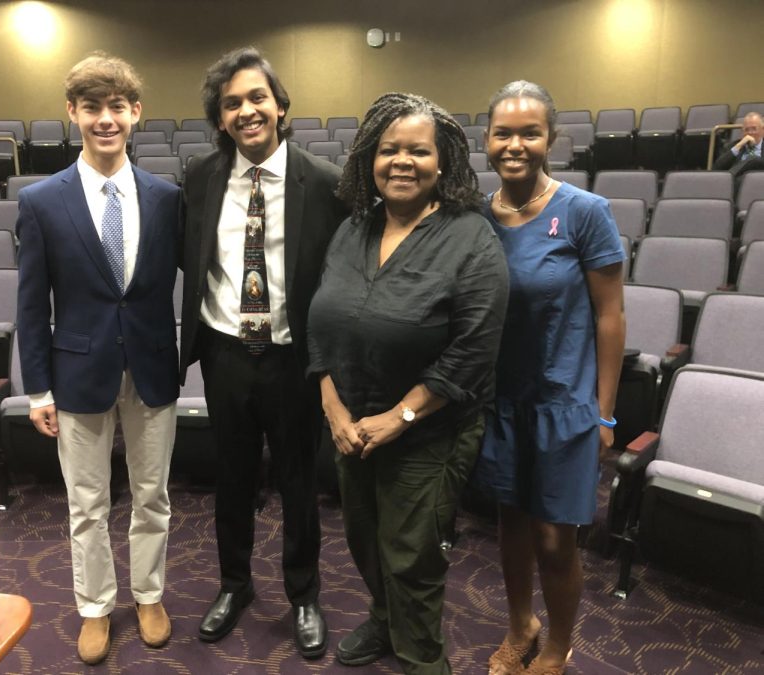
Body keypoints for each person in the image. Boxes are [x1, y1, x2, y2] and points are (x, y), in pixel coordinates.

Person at [307, 92, 509, 674]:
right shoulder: (353, 229)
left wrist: (402, 417)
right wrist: (333, 408)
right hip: (353, 427)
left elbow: (473, 350)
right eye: (389, 149)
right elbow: (321, 320)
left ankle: (423, 659)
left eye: (418, 151)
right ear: (370, 158)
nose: (402, 161)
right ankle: (382, 620)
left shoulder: (471, 238)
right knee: (366, 542)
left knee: (413, 558)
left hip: (429, 434)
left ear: (441, 161)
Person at [179, 46, 346, 659]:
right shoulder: (200, 179)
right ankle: (234, 584)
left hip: (293, 359)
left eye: (256, 98)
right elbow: (192, 259)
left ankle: (303, 594)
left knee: (300, 481)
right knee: (233, 477)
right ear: (219, 118)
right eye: (231, 104)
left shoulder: (326, 184)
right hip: (225, 354)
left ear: (280, 106)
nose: (246, 111)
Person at [16, 52, 180, 665]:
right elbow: (31, 305)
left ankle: (149, 594)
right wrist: (37, 389)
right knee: (86, 502)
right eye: (92, 108)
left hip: (152, 368)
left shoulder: (166, 198)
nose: (105, 119)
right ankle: (94, 607)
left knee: (152, 495)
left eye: (117, 107)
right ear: (73, 113)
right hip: (77, 372)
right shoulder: (41, 201)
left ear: (135, 113)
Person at [474, 81, 625, 675]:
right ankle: (521, 625)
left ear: (550, 139)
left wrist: (605, 412)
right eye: (503, 133)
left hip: (564, 403)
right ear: (485, 140)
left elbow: (611, 316)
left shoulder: (585, 213)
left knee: (556, 539)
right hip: (501, 402)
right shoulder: (476, 218)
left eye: (529, 132)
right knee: (510, 525)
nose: (515, 144)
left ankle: (559, 643)